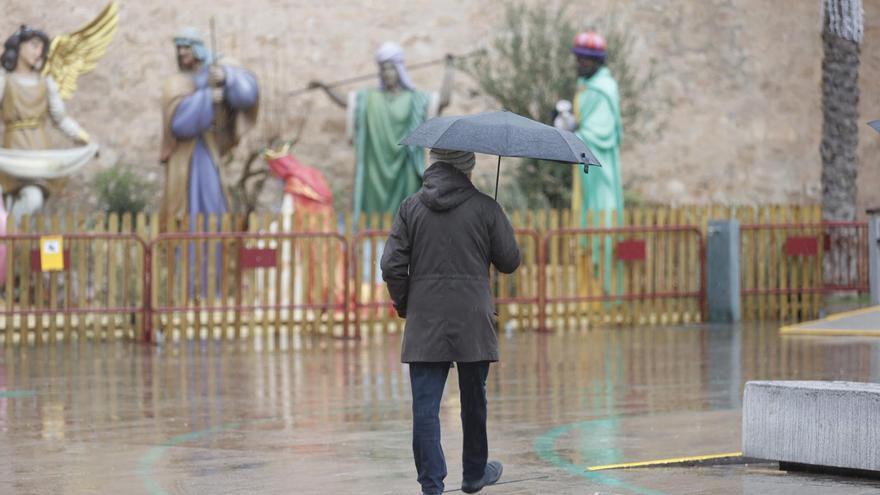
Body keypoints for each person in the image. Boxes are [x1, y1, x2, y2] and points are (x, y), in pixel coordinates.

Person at [381, 149, 521, 495]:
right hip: (473, 319)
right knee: (475, 400)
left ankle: (431, 485)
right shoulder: (485, 207)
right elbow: (510, 261)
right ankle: (475, 473)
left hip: (425, 320)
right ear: (467, 169)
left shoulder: (410, 208)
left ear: (434, 165)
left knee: (425, 408)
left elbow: (391, 266)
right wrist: (495, 221)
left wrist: (405, 304)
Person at [159, 27, 259, 299]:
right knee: (186, 223)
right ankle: (185, 290)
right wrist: (207, 97)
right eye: (178, 48)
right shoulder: (176, 84)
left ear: (199, 49)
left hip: (209, 157)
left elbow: (247, 94)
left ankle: (216, 287)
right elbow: (180, 125)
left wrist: (225, 77)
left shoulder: (214, 69)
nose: (181, 53)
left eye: (187, 47)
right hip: (184, 165)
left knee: (216, 217)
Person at [310, 42, 454, 222]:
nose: (387, 74)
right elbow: (347, 102)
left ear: (399, 70)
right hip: (375, 173)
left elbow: (443, 101)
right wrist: (325, 87)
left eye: (391, 69)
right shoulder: (371, 99)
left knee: (407, 215)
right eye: (383, 69)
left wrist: (449, 69)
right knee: (373, 221)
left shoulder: (414, 100)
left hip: (404, 170)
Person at [0, 25, 92, 221]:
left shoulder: (45, 83)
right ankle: (11, 243)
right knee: (11, 200)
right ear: (19, 46)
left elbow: (60, 118)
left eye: (41, 47)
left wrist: (82, 137)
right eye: (34, 45)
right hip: (12, 151)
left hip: (39, 153)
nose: (38, 52)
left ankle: (9, 239)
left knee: (33, 199)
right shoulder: (5, 81)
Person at [561, 31, 623, 296]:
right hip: (585, 171)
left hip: (600, 172)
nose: (578, 64)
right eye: (577, 59)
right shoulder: (587, 87)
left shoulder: (603, 90)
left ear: (596, 62)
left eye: (583, 60)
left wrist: (571, 131)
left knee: (602, 222)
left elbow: (599, 133)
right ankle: (591, 294)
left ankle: (607, 294)